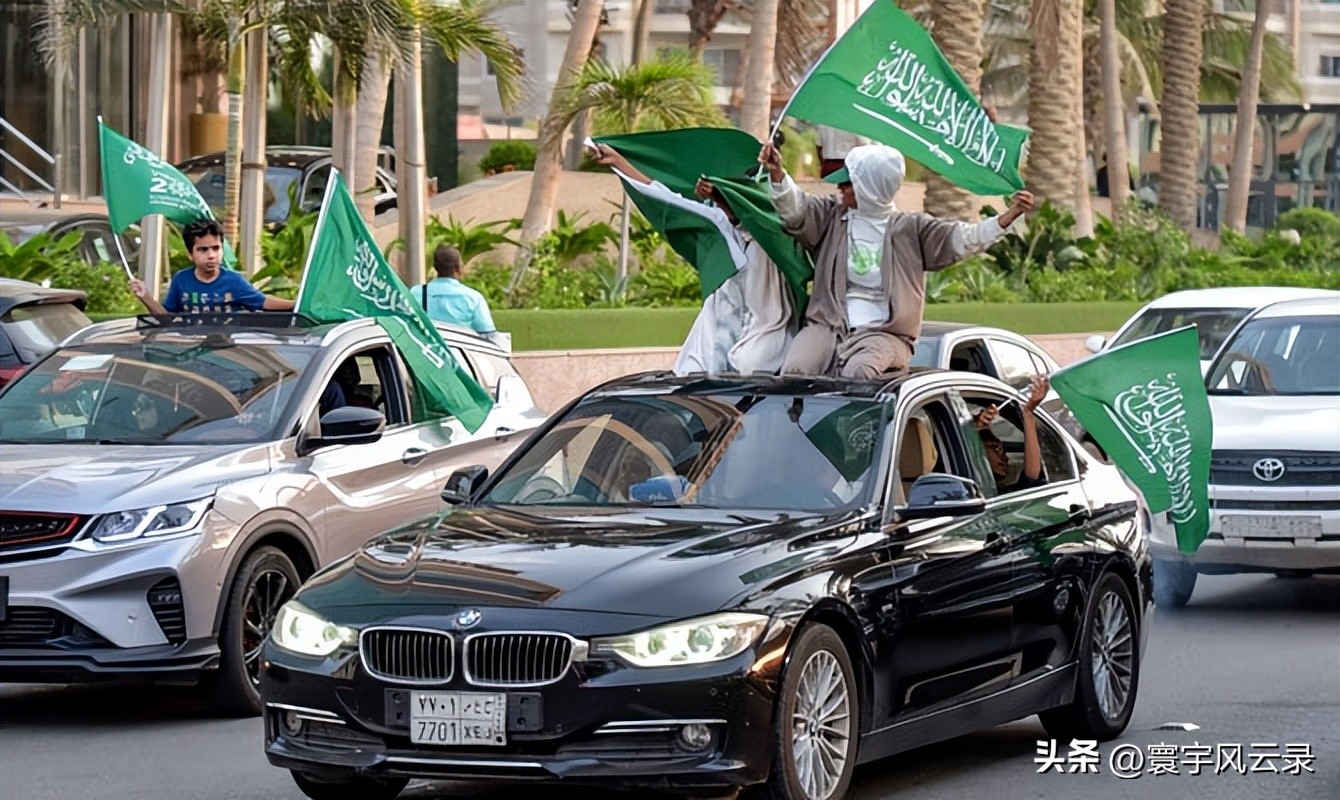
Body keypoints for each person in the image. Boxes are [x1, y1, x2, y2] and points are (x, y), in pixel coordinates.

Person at [760, 141, 1035, 378]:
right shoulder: (833, 216)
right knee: (795, 370)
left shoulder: (912, 230)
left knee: (859, 372)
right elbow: (796, 209)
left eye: (849, 183)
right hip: (829, 325)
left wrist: (1007, 218)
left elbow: (964, 238)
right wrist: (777, 173)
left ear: (869, 187)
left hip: (886, 335)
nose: (840, 188)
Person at [591, 143, 796, 375]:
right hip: (715, 337)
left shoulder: (778, 238)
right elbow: (669, 200)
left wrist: (775, 173)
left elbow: (783, 212)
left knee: (747, 367)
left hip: (764, 340)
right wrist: (619, 162)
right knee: (691, 373)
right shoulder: (719, 226)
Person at [130, 218, 295, 314]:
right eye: (203, 249)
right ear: (190, 254)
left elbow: (263, 302)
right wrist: (146, 297)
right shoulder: (181, 280)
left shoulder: (234, 281)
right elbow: (166, 318)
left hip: (226, 353)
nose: (211, 255)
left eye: (216, 248)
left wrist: (297, 305)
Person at [974, 375, 1050, 494]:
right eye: (995, 447)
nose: (1005, 458)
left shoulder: (997, 496)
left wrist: (1028, 413)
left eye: (1003, 452)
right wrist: (974, 428)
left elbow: (1032, 478)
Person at [412, 245, 501, 342]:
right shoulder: (473, 297)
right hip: (461, 354)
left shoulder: (416, 293)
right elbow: (488, 334)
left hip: (428, 353)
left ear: (435, 266)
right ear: (459, 268)